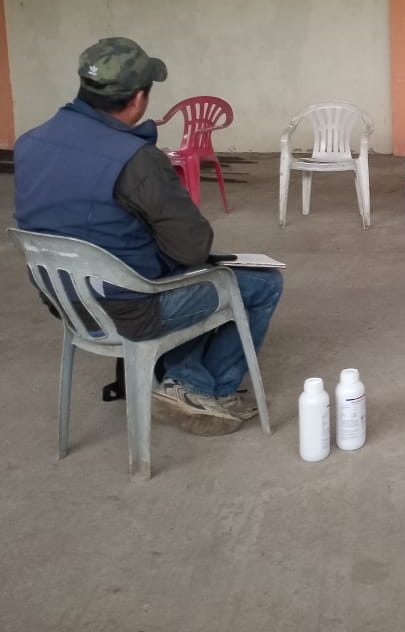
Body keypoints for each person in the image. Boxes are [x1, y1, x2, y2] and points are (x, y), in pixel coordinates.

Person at [13, 37, 283, 437]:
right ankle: (200, 389)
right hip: (129, 310)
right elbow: (193, 248)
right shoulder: (135, 159)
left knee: (170, 269)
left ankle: (181, 375)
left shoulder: (30, 142)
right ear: (139, 99)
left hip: (65, 300)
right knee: (260, 283)